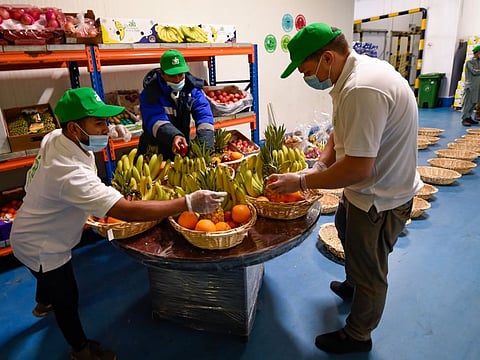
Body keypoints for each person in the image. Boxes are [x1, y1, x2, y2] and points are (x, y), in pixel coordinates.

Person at [9, 87, 226, 360]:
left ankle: (43, 301)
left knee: (45, 279)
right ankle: (81, 349)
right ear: (75, 129)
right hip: (43, 243)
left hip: (28, 228)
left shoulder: (57, 136)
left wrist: (107, 133)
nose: (106, 127)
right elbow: (126, 209)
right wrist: (188, 203)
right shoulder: (69, 175)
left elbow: (77, 142)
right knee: (67, 296)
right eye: (99, 123)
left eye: (107, 121)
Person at [267, 23, 423, 354]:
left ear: (327, 57)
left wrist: (302, 180)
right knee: (343, 227)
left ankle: (358, 334)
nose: (306, 78)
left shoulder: (361, 88)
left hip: (380, 197)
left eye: (307, 71)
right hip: (363, 192)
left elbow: (357, 167)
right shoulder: (350, 77)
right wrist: (321, 165)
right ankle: (353, 284)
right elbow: (341, 131)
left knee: (371, 268)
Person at [138, 49, 215, 160]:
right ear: (162, 74)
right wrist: (173, 136)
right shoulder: (150, 93)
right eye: (172, 75)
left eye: (180, 74)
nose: (178, 79)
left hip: (181, 148)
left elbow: (204, 115)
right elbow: (155, 120)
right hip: (155, 151)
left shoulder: (192, 89)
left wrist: (206, 143)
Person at [461, 44, 480, 126]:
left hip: (477, 87)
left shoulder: (478, 62)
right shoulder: (470, 62)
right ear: (478, 52)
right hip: (471, 86)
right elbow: (474, 72)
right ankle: (464, 118)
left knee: (473, 103)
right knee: (468, 103)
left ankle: (469, 117)